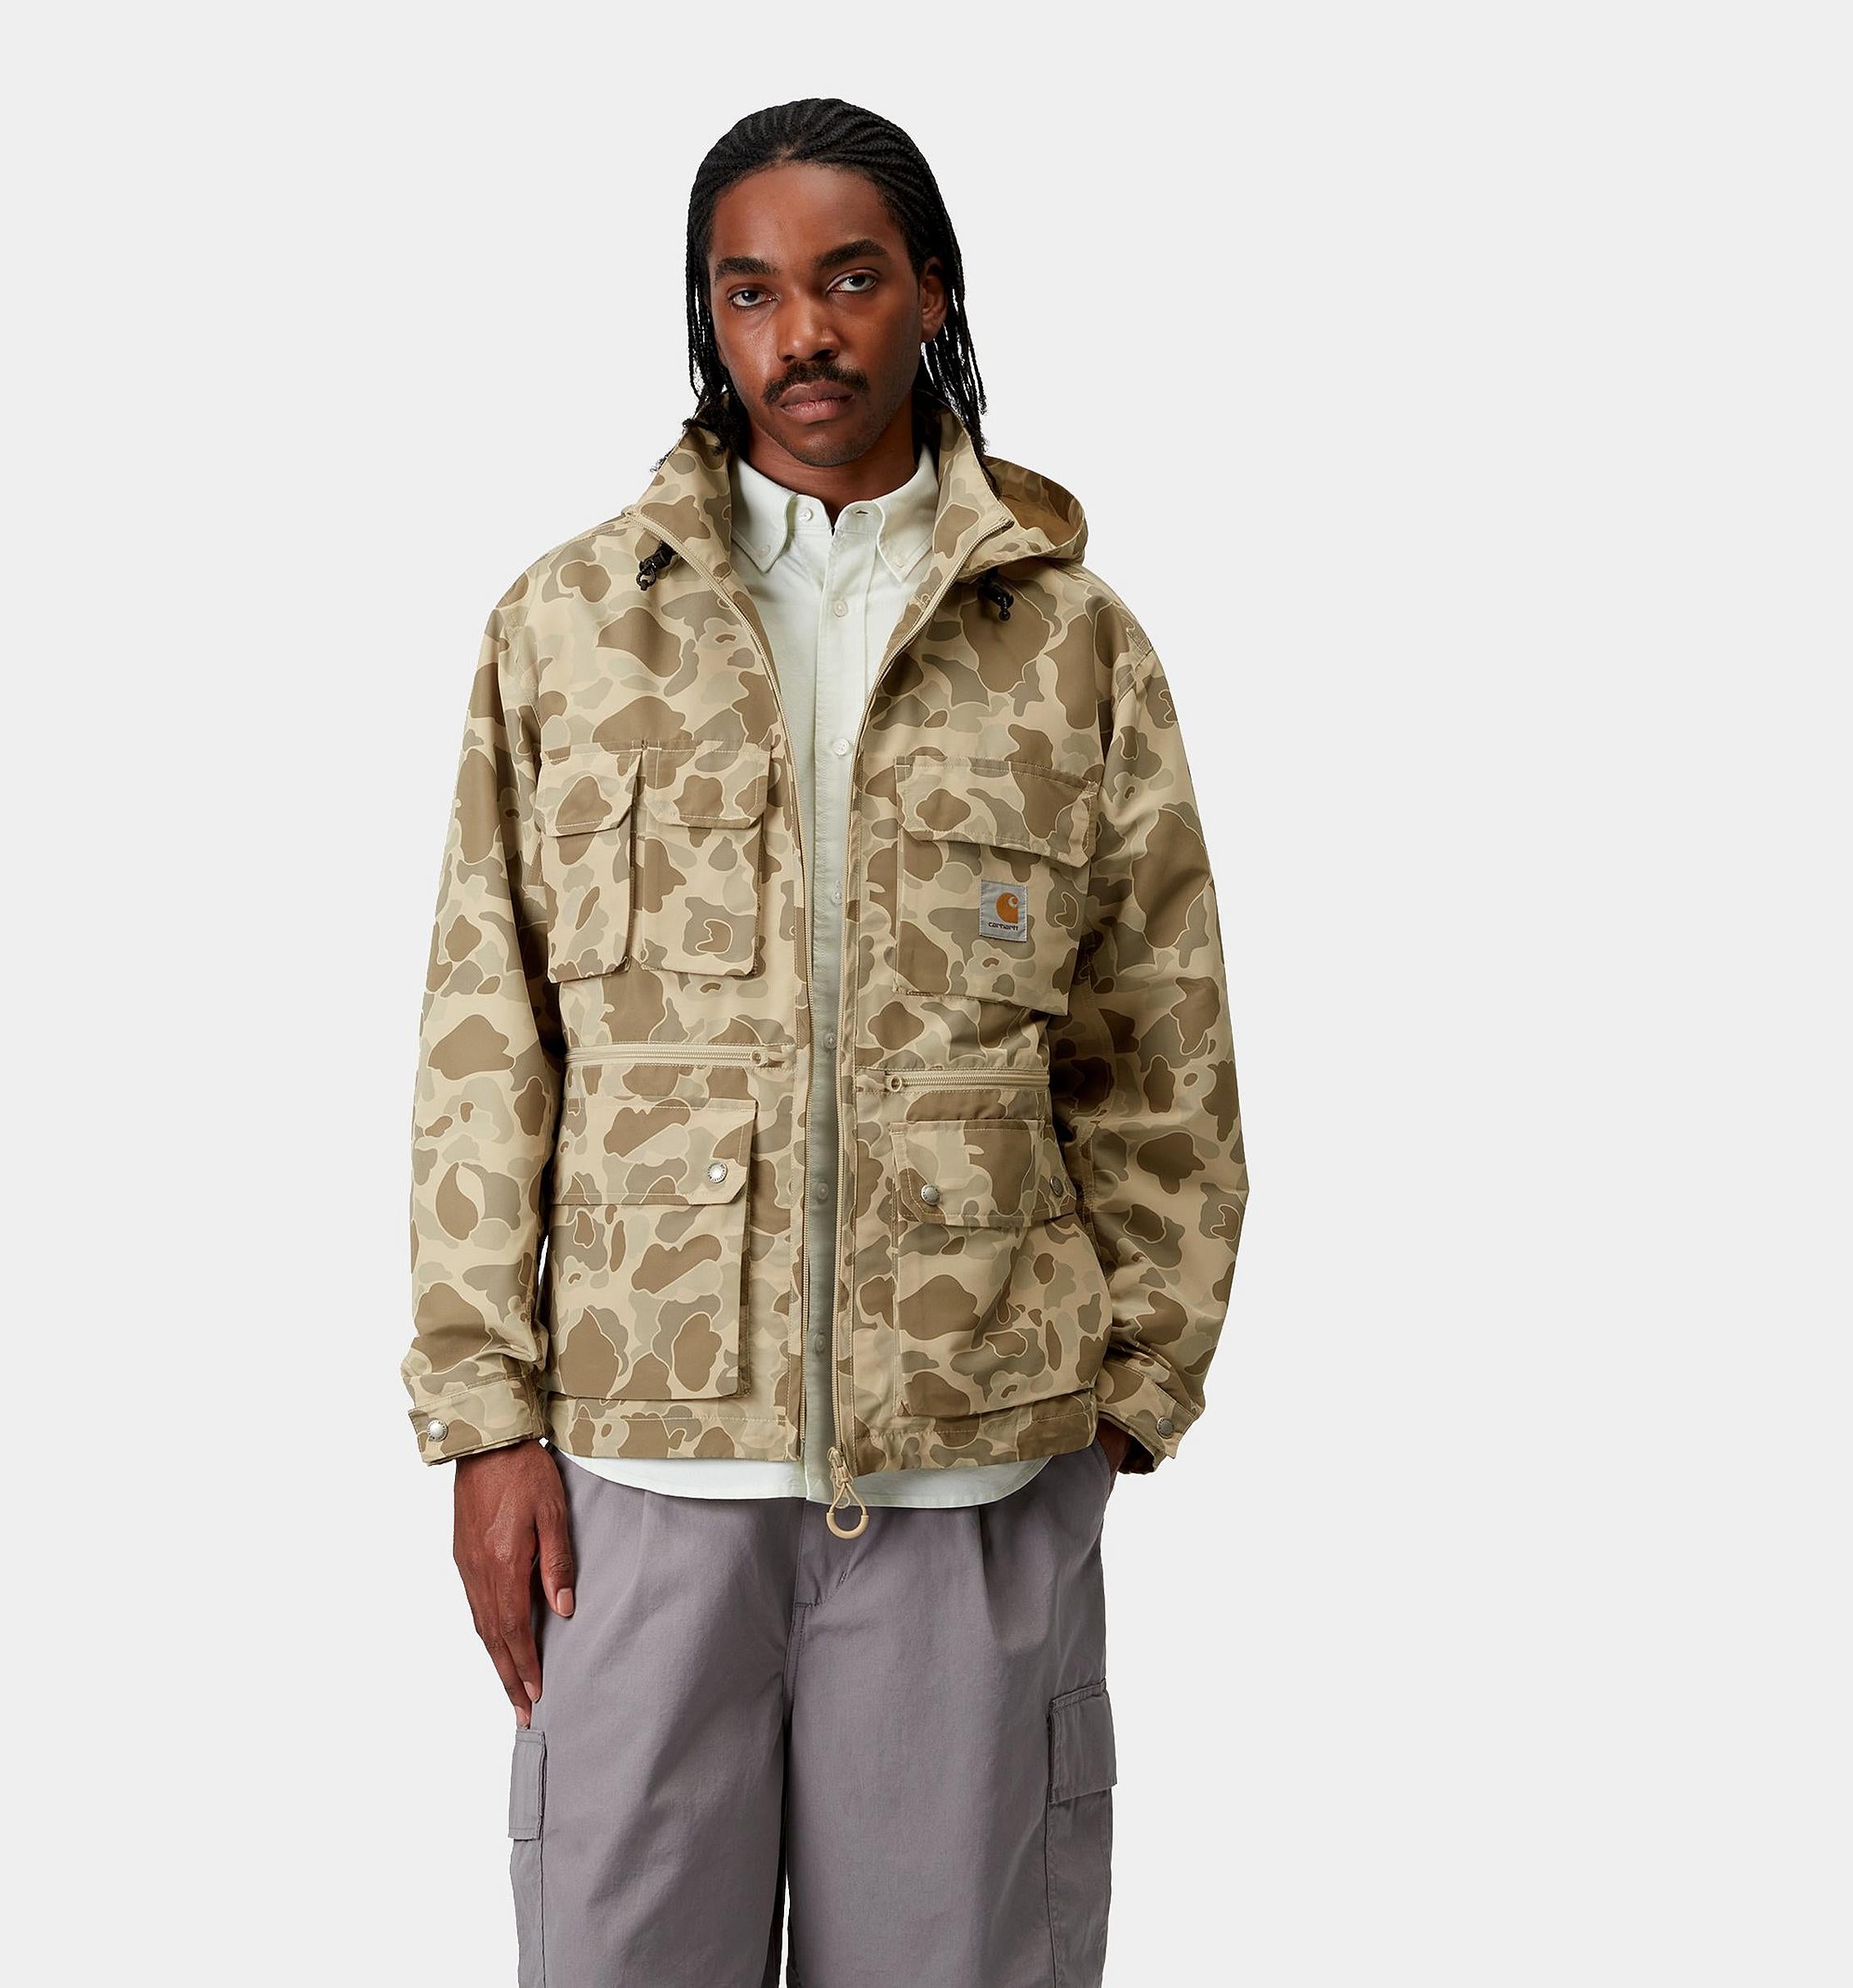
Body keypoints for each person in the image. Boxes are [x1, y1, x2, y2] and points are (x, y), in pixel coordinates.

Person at [403, 96, 1247, 1987]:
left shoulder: (1069, 645)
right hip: (638, 1479)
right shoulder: (568, 630)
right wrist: (485, 1416)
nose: (801, 333)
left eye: (848, 278)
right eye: (750, 290)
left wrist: (1127, 1386)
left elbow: (1158, 1038)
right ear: (706, 317)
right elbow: (482, 1036)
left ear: (929, 291)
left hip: (970, 1475)